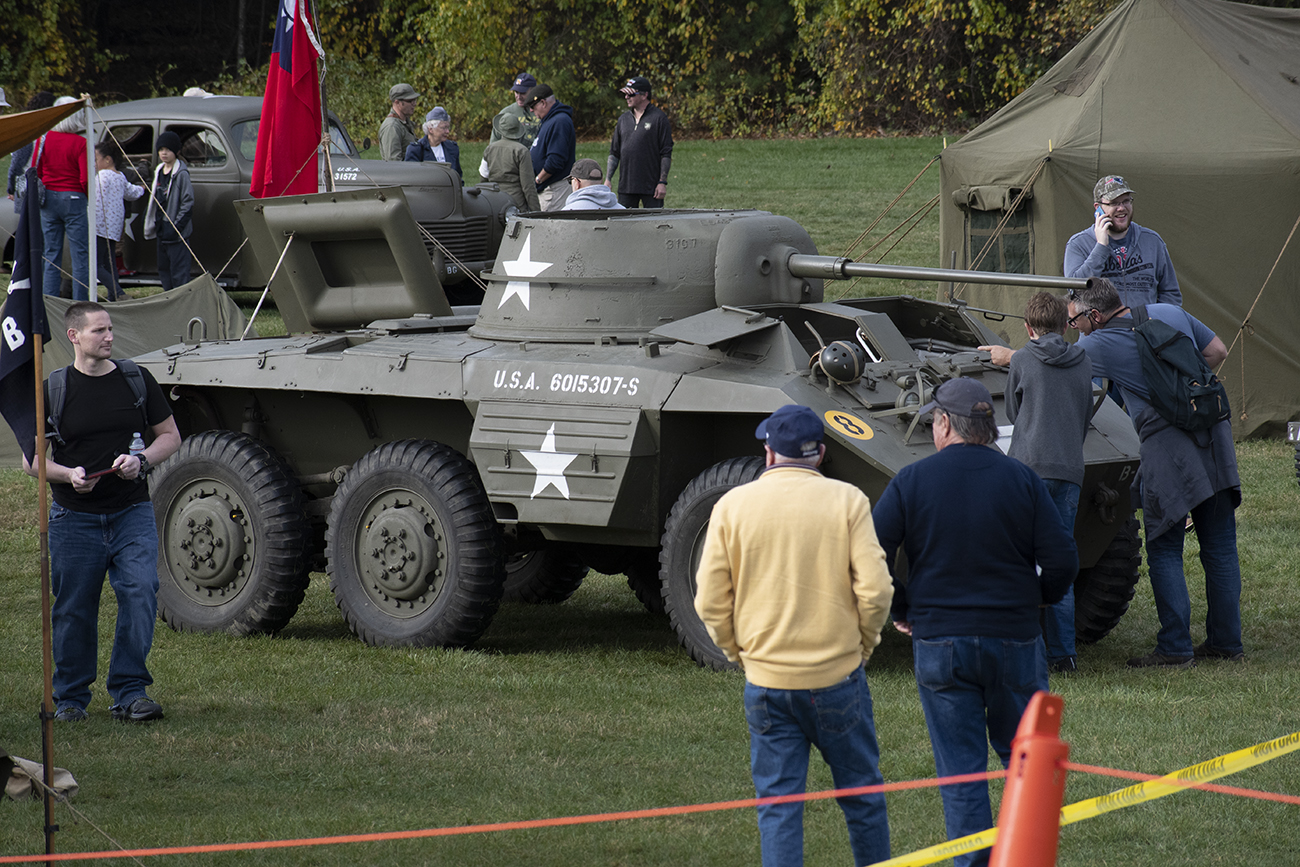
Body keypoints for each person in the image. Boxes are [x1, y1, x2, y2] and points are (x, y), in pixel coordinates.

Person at [871, 377, 1076, 867]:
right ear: (988, 428)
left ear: (943, 424)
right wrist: (1039, 601)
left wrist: (903, 609)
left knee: (961, 773)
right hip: (1015, 639)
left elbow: (869, 555)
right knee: (1023, 762)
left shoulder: (912, 480)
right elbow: (1062, 558)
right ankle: (1024, 855)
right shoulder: (1022, 479)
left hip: (940, 641)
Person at [695, 404, 894, 867]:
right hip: (839, 679)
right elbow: (877, 591)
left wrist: (736, 651)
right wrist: (863, 645)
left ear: (768, 453)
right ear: (821, 454)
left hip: (767, 682)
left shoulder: (733, 506)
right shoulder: (848, 501)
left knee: (779, 807)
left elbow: (709, 598)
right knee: (863, 797)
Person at [1068, 279, 1243, 667]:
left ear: (1094, 315)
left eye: (1075, 321)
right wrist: (1186, 396)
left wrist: (1005, 356)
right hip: (1214, 433)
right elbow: (1216, 351)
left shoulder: (1095, 344)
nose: (1074, 328)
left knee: (1164, 546)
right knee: (1220, 546)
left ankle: (1175, 647)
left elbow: (1057, 367)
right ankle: (1227, 642)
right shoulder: (1169, 313)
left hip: (1168, 447)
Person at [22, 302, 182, 723]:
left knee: (140, 591)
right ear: (74, 336)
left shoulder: (135, 380)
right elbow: (32, 461)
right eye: (99, 331)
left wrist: (143, 460)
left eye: (110, 329)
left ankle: (130, 692)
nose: (109, 337)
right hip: (74, 518)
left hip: (132, 511)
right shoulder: (53, 388)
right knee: (74, 607)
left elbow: (170, 436)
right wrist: (67, 474)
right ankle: (71, 699)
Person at [1004, 292, 1092, 673]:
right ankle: (1064, 654)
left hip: (1028, 470)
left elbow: (1012, 409)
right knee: (1060, 564)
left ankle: (1026, 651)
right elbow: (1086, 411)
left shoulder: (1022, 358)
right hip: (1070, 469)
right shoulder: (1083, 358)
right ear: (1064, 324)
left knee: (1022, 562)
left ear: (1028, 328)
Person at [1064, 175, 1181, 308]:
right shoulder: (1079, 244)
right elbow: (1075, 292)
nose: (1121, 208)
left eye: (1126, 201)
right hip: (1103, 329)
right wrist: (1101, 247)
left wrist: (1157, 322)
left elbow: (1171, 293)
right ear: (1098, 208)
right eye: (1114, 203)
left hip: (1145, 327)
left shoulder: (1152, 241)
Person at [36, 97, 91, 300]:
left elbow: (39, 171)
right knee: (80, 256)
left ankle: (49, 300)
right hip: (74, 197)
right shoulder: (81, 142)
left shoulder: (44, 139)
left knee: (51, 254)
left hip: (49, 198)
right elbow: (85, 178)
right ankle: (80, 303)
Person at [607, 76, 673, 208]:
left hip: (651, 188)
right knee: (625, 225)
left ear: (644, 95)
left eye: (630, 94)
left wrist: (662, 182)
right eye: (625, 94)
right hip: (626, 187)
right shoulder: (623, 120)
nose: (626, 97)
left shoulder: (659, 118)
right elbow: (614, 152)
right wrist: (608, 179)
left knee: (654, 225)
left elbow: (666, 153)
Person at [93, 142, 146, 301]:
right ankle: (113, 297)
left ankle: (119, 293)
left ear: (107, 159)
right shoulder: (120, 176)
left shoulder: (102, 176)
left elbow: (96, 199)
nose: (93, 163)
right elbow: (131, 193)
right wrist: (142, 188)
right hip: (114, 228)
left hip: (99, 226)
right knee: (110, 264)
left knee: (95, 266)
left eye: (95, 159)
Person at [144, 131, 194, 291]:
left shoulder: (181, 174)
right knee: (164, 269)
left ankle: (182, 302)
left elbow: (188, 202)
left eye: (168, 149)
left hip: (176, 232)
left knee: (179, 272)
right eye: (161, 149)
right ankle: (168, 299)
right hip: (161, 229)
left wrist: (177, 226)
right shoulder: (159, 170)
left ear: (177, 151)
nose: (164, 153)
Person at [523, 84, 576, 211]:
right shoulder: (550, 120)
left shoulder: (560, 121)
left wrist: (538, 180)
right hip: (549, 190)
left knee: (550, 229)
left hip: (554, 190)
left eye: (532, 106)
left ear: (543, 103)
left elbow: (555, 160)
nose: (531, 110)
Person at [7, 91, 55, 214]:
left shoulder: (27, 134)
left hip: (29, 188)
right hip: (48, 187)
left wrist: (11, 188)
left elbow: (17, 165)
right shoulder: (53, 133)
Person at [482, 112, 540, 211]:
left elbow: (483, 178)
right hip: (515, 203)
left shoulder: (489, 149)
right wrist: (536, 211)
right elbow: (528, 186)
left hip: (494, 201)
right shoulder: (522, 151)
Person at [404, 107, 462, 179]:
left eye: (448, 127)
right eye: (443, 128)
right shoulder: (416, 150)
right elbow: (411, 177)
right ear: (430, 129)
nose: (447, 131)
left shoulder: (452, 148)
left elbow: (458, 176)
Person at [560, 159, 625, 211]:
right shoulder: (623, 211)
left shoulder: (566, 213)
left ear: (577, 183)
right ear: (602, 180)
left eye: (570, 181)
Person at [379, 83, 420, 161]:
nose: (414, 104)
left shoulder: (405, 122)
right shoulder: (392, 127)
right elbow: (393, 162)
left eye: (415, 100)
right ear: (397, 102)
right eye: (410, 101)